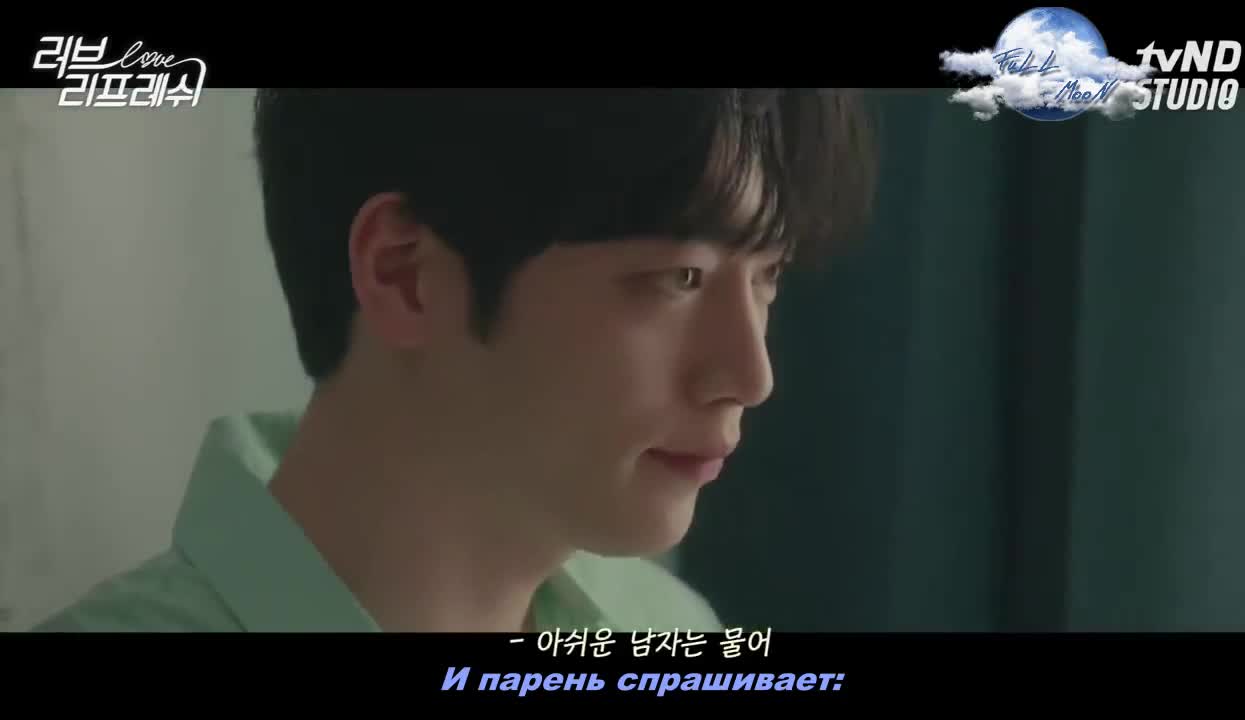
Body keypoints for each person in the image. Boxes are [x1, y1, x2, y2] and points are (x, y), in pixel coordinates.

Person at [32, 89, 874, 632]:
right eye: (679, 278)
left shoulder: (668, 628)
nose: (749, 375)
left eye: (767, 277)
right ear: (405, 274)